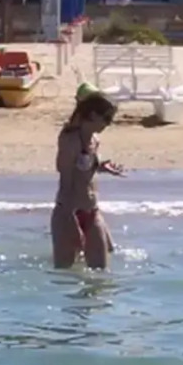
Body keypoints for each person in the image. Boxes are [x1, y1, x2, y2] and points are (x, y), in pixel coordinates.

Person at [51, 84, 125, 271]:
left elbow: (85, 168)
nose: (108, 124)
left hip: (92, 212)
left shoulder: (94, 140)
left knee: (101, 275)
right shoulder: (70, 140)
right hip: (68, 212)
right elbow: (66, 180)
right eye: (106, 118)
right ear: (92, 115)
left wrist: (101, 166)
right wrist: (70, 221)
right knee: (65, 275)